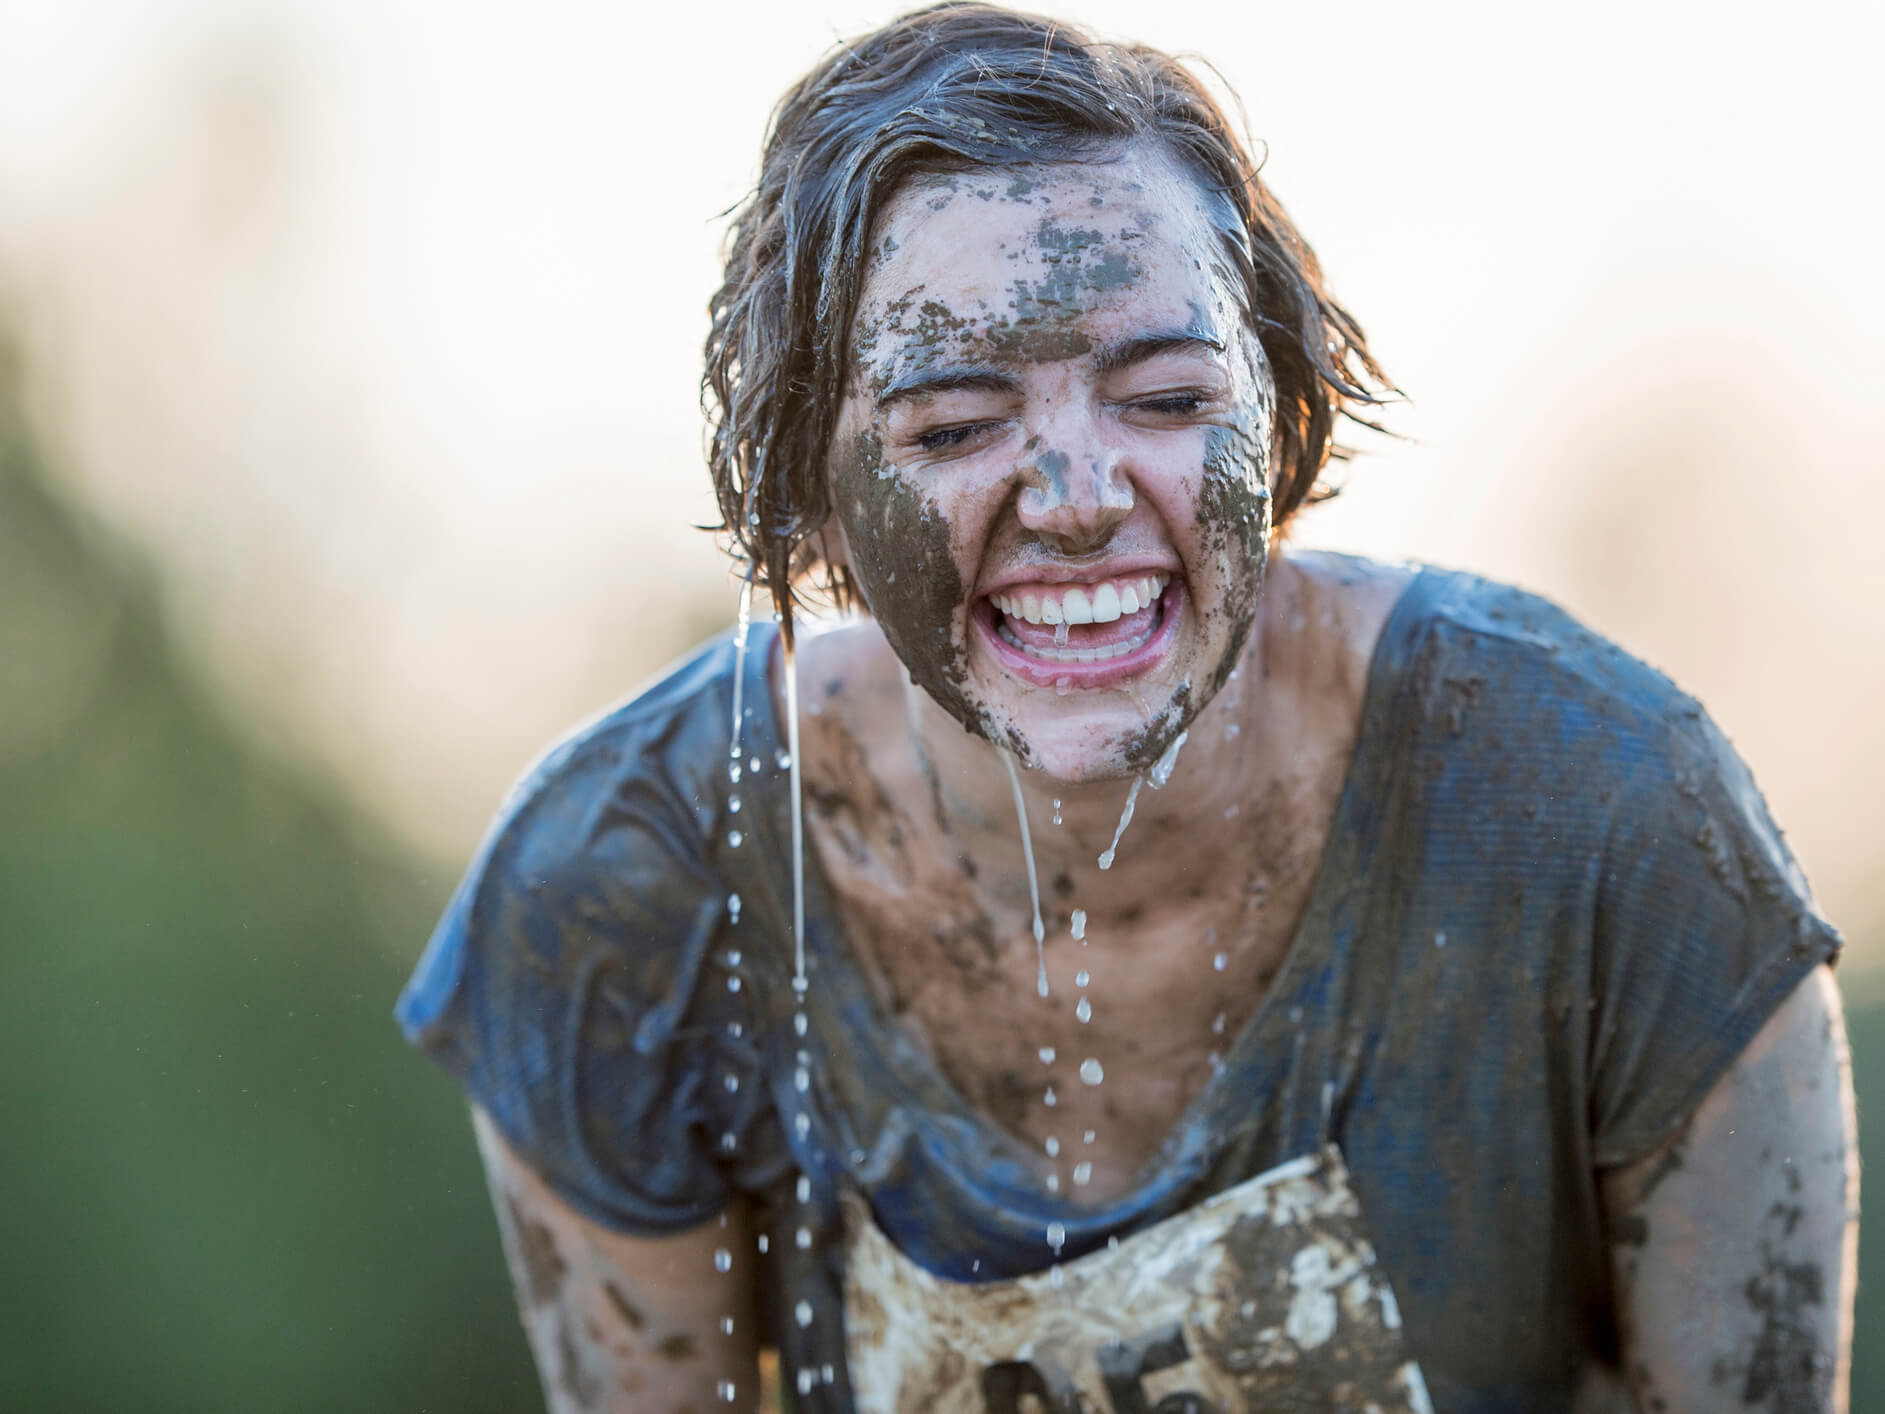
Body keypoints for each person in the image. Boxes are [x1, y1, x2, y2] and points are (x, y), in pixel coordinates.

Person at [395, 5, 1859, 1410]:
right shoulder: (629, 892)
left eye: (1164, 397)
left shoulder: (1602, 821)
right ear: (809, 497)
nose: (1082, 500)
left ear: (1279, 418)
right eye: (955, 425)